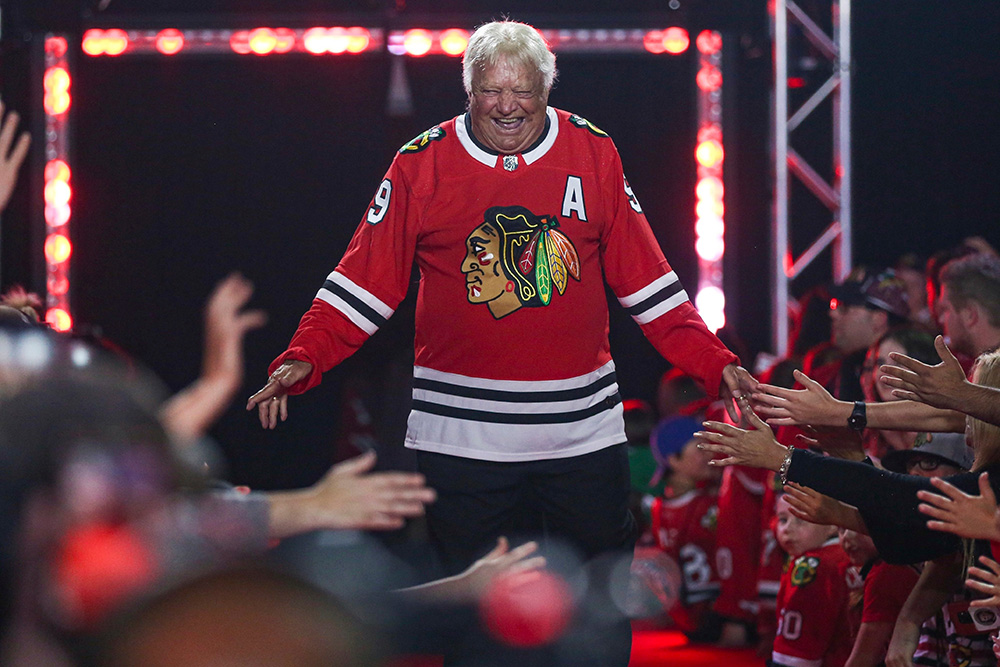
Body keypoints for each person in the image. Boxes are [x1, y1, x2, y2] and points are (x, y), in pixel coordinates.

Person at [247, 20, 752, 665]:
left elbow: (647, 280)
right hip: (462, 439)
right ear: (468, 92)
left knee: (598, 607)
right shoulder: (420, 163)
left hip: (581, 433)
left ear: (547, 88)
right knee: (476, 615)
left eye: (522, 92)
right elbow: (364, 281)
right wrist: (304, 356)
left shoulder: (593, 152)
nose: (507, 106)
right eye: (490, 91)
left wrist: (714, 363)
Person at [771, 494, 854, 667]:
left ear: (832, 524)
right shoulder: (845, 556)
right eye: (783, 520)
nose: (788, 529)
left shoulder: (812, 565)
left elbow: (798, 648)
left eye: (801, 520)